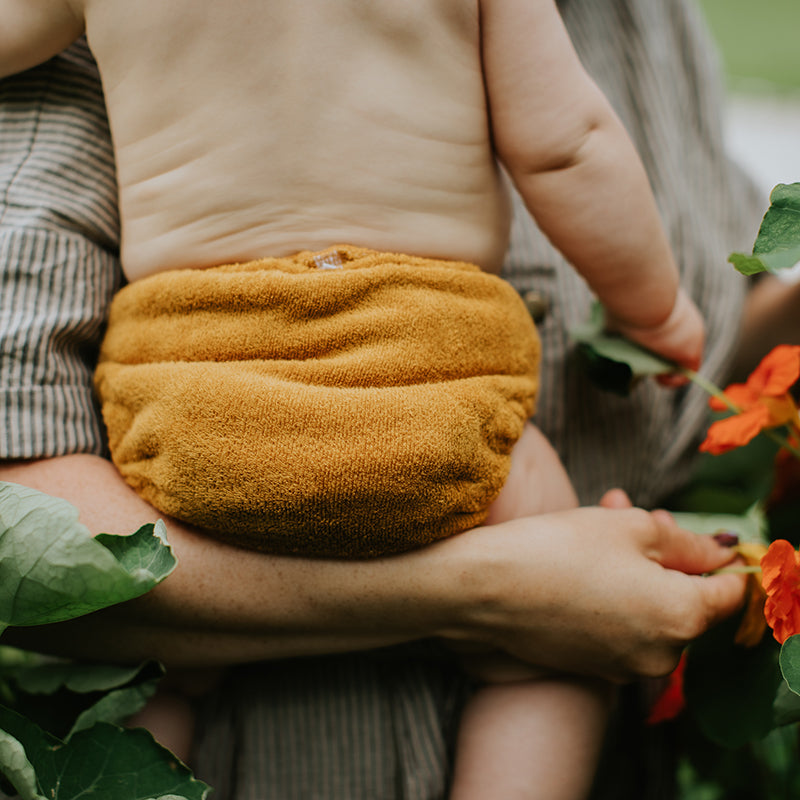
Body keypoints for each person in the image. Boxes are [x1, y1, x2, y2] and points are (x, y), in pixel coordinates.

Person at [0, 0, 782, 797]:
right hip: (430, 392)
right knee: (558, 644)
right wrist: (655, 311)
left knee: (156, 668)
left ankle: (140, 773)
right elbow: (567, 147)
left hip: (195, 400)